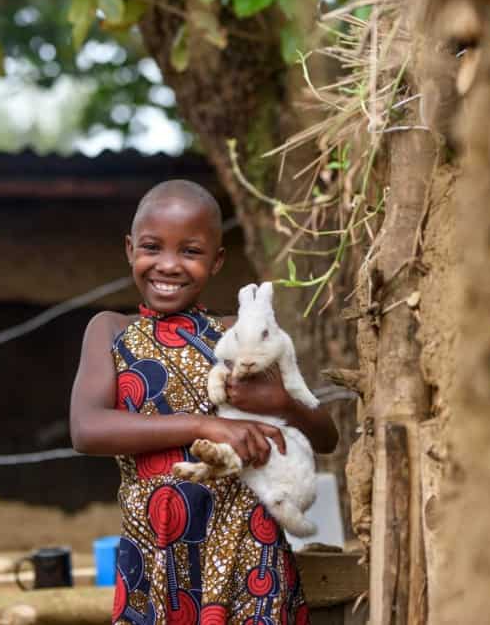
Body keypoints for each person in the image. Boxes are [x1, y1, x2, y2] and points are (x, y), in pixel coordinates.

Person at [70, 179, 338, 625]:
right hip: (157, 550)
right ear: (129, 248)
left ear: (216, 261)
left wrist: (284, 405)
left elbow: (326, 436)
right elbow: (86, 429)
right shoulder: (111, 331)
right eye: (152, 248)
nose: (169, 265)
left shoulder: (241, 335)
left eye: (190, 252)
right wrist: (205, 425)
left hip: (248, 543)